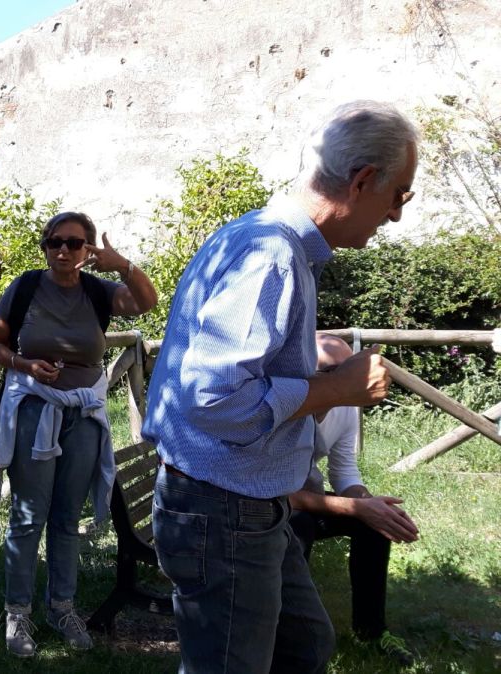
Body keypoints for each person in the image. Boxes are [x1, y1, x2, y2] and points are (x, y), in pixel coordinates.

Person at [142, 100, 418, 673]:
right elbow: (216, 401)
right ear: (362, 180)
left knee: (305, 648)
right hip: (224, 507)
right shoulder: (271, 254)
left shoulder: (270, 242)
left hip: (243, 501)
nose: (395, 215)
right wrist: (335, 388)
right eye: (399, 195)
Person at [0, 211, 157, 656]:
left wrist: (122, 264)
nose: (63, 250)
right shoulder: (25, 287)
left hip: (83, 414)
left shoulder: (98, 290)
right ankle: (17, 613)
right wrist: (23, 364)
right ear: (45, 246)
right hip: (33, 411)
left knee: (65, 517)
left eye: (74, 243)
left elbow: (147, 302)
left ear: (87, 249)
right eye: (55, 242)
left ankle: (62, 607)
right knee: (28, 515)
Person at [288, 333, 419, 663]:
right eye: (335, 371)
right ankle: (289, 632)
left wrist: (369, 504)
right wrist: (356, 507)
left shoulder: (345, 406)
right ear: (305, 371)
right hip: (266, 506)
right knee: (299, 524)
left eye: (351, 368)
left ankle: (371, 632)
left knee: (374, 525)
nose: (351, 378)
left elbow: (344, 471)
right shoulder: (287, 406)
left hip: (307, 499)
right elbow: (279, 495)